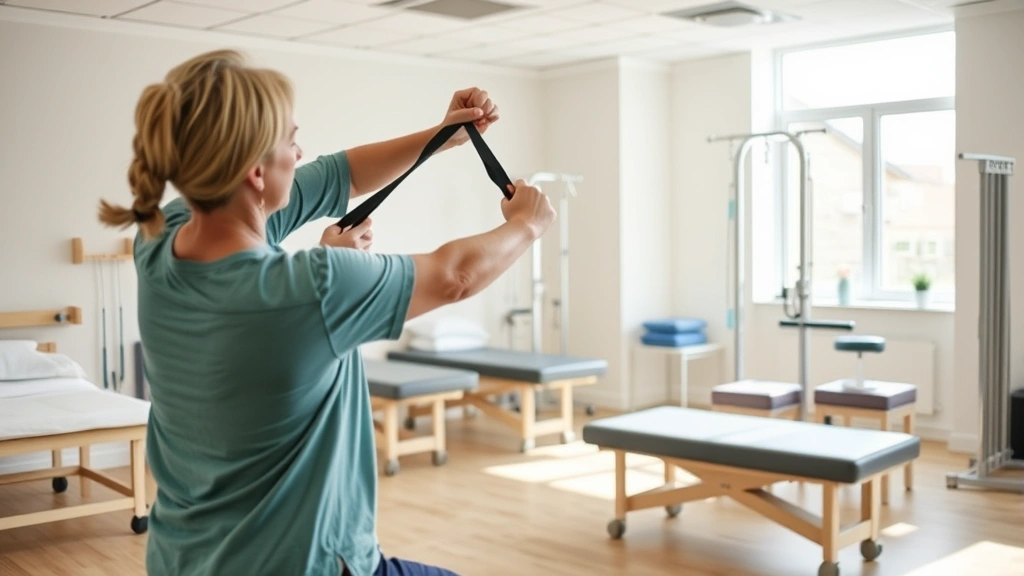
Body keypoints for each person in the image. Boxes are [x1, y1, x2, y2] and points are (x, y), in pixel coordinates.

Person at [97, 48, 555, 576]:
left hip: (187, 559)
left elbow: (338, 175)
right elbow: (454, 277)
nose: (301, 150)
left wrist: (441, 137)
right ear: (254, 172)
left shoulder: (160, 236)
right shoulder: (313, 289)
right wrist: (526, 225)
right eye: (291, 140)